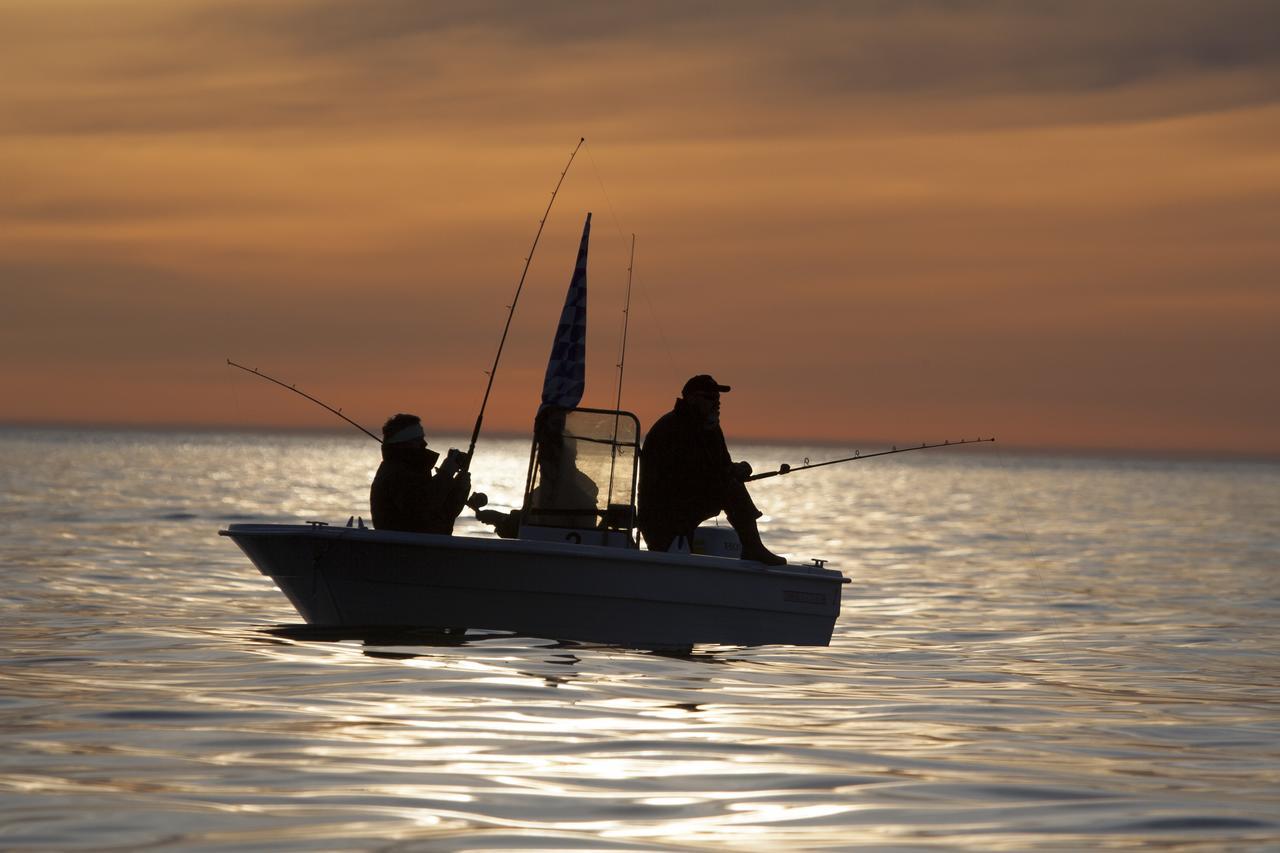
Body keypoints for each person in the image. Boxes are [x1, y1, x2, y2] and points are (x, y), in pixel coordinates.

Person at [638, 375, 786, 565]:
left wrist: (737, 470)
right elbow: (691, 475)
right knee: (730, 487)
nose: (717, 402)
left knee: (732, 485)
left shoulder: (710, 428)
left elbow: (720, 467)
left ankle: (752, 547)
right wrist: (730, 473)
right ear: (691, 399)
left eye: (718, 398)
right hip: (663, 515)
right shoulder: (671, 429)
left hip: (687, 504)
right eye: (710, 397)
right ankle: (752, 548)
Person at [370, 413, 471, 535]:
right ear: (404, 443)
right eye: (418, 439)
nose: (424, 444)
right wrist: (445, 474)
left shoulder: (415, 470)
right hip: (403, 549)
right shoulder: (395, 474)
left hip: (429, 546)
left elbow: (444, 513)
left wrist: (460, 487)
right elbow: (421, 507)